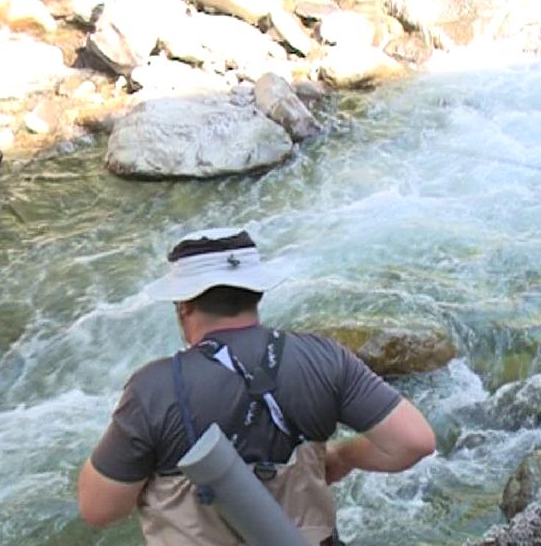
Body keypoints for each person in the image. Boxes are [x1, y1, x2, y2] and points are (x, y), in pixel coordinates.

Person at [77, 227, 436, 545]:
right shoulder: (325, 358)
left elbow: (99, 509)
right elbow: (415, 442)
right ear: (256, 293)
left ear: (184, 306)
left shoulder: (153, 388)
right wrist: (343, 456)